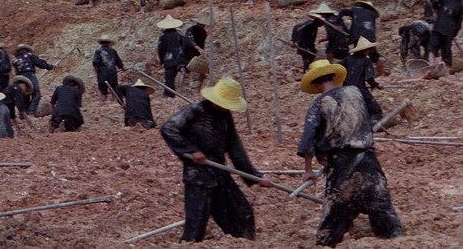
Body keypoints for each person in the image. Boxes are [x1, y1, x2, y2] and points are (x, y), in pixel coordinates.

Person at [297, 60, 404, 246]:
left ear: (315, 84)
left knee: (333, 219)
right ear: (333, 77)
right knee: (383, 211)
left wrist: (308, 170)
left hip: (342, 166)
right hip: (369, 160)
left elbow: (308, 139)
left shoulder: (319, 104)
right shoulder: (355, 93)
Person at [161, 76, 271, 242]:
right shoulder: (194, 111)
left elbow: (235, 148)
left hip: (219, 172)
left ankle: (243, 243)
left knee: (242, 213)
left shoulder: (225, 116)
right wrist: (192, 150)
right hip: (198, 175)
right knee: (196, 224)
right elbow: (168, 128)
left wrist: (255, 176)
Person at [339, 37, 383, 123]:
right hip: (359, 89)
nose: (368, 51)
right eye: (367, 49)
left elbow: (338, 68)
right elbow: (369, 77)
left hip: (346, 89)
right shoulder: (366, 60)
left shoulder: (348, 59)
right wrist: (374, 84)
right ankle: (373, 124)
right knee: (376, 110)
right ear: (363, 50)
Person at [428, 0, 463, 68]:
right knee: (446, 51)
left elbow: (434, 2)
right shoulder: (461, 4)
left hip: (439, 26)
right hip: (450, 30)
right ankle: (446, 71)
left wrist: (438, 9)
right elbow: (459, 22)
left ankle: (431, 66)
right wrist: (454, 34)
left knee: (432, 48)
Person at [12, 44, 54, 113]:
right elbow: (40, 63)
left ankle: (24, 112)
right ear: (26, 49)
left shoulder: (15, 60)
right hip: (29, 75)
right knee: (36, 94)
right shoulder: (29, 55)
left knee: (24, 94)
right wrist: (49, 66)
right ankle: (31, 111)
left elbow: (16, 71)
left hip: (20, 78)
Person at [157, 15, 186, 96]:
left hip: (169, 59)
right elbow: (184, 46)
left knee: (169, 78)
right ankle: (178, 93)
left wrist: (161, 60)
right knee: (177, 75)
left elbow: (161, 49)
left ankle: (169, 94)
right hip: (179, 58)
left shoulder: (163, 35)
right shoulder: (179, 34)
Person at [93, 35, 124, 101]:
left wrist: (97, 72)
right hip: (112, 74)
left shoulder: (98, 51)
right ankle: (114, 103)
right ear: (109, 43)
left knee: (103, 92)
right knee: (114, 91)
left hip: (102, 74)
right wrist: (122, 68)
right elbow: (119, 62)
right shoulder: (113, 51)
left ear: (101, 43)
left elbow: (95, 63)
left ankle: (103, 104)